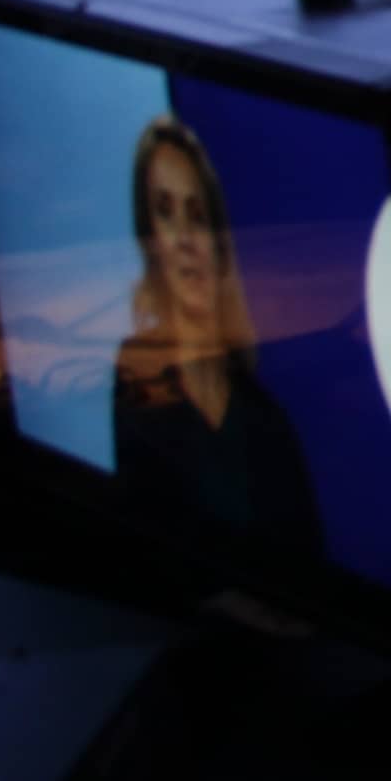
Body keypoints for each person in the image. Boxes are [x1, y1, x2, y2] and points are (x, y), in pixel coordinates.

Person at [110, 119, 322, 554]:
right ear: (148, 239)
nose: (186, 238)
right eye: (165, 212)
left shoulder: (267, 422)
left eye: (198, 215)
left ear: (220, 244)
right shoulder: (139, 379)